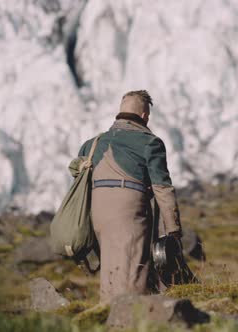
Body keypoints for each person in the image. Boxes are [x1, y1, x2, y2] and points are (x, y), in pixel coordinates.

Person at [78, 90, 182, 303]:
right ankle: (131, 319)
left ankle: (107, 316)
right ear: (145, 116)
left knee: (111, 270)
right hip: (128, 213)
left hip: (96, 215)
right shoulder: (150, 143)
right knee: (134, 274)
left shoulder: (92, 144)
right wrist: (173, 229)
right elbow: (162, 188)